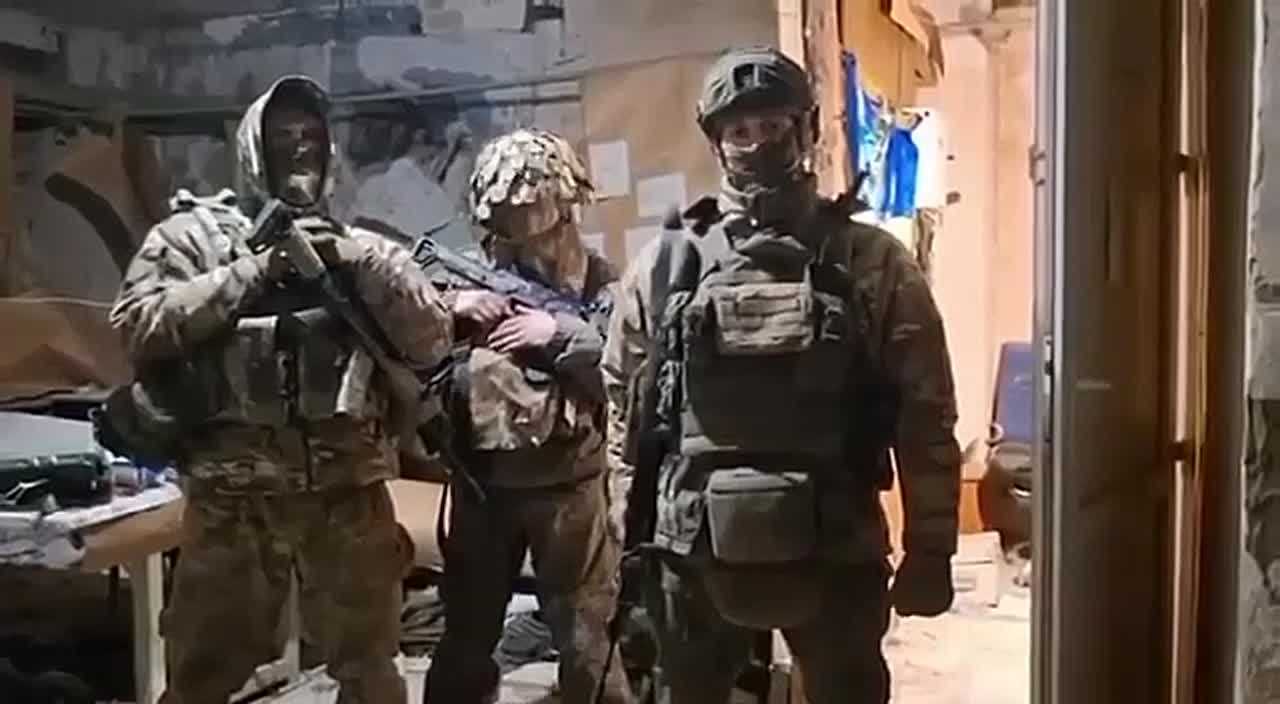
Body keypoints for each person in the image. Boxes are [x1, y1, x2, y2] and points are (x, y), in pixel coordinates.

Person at [601, 46, 962, 704]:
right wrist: (627, 541)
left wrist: (931, 544)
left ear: (805, 129)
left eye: (772, 126)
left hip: (836, 549)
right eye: (740, 131)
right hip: (692, 553)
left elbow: (926, 412)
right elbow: (627, 412)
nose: (757, 145)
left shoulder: (871, 262)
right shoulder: (667, 265)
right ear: (715, 141)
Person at [109, 75, 453, 704]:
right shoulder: (194, 239)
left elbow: (433, 339)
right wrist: (252, 273)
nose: (301, 148)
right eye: (284, 136)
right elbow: (136, 325)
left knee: (372, 672)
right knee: (201, 675)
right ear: (252, 149)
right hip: (232, 502)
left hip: (346, 497)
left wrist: (360, 265)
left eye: (313, 137)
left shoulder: (359, 246)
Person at [423, 127, 632, 704]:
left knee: (585, 630)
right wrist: (454, 308)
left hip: (568, 484)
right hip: (481, 484)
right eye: (506, 210)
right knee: (467, 628)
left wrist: (556, 334)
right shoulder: (465, 276)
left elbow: (623, 374)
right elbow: (407, 341)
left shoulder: (599, 281)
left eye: (530, 205)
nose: (517, 220)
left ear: (561, 203)